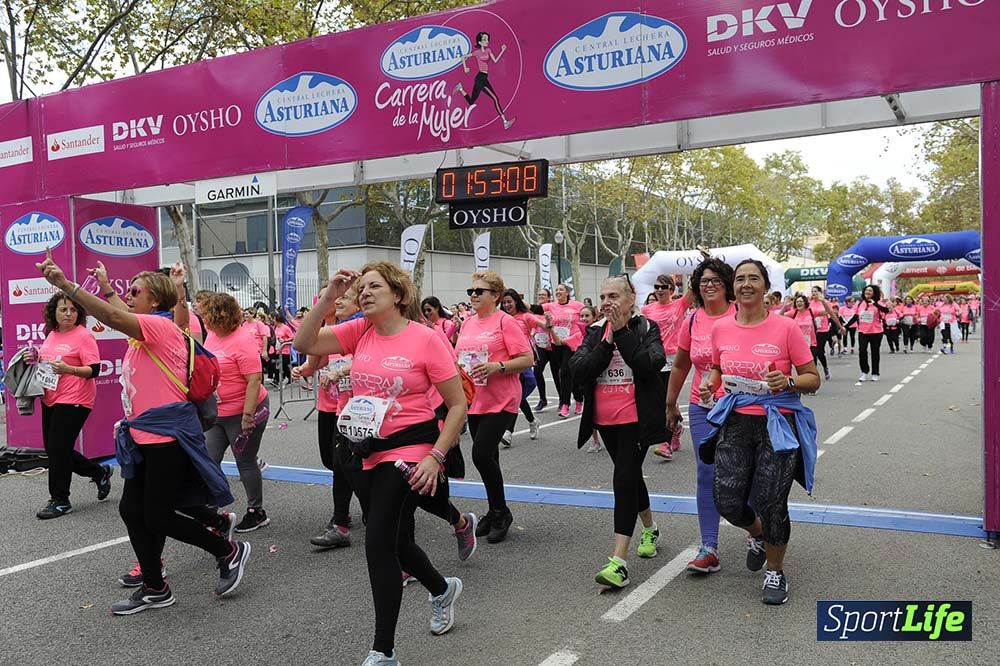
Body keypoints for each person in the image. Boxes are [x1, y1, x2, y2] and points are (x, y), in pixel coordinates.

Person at [35, 251, 250, 615]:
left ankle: (227, 550)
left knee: (157, 515)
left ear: (155, 299)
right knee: (131, 509)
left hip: (166, 437)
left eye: (136, 290)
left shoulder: (160, 327)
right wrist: (105, 287)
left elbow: (114, 316)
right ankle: (155, 586)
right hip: (143, 436)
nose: (128, 293)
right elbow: (119, 310)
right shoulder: (146, 329)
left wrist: (66, 286)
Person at [293, 262, 467, 666]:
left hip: (410, 448)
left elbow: (457, 404)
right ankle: (441, 589)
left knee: (377, 545)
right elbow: (305, 344)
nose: (366, 293)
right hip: (362, 448)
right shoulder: (360, 331)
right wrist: (328, 296)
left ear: (399, 295)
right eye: (363, 287)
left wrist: (434, 456)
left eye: (376, 287)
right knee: (396, 542)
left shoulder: (426, 339)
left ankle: (383, 651)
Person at [699, 259, 820, 605]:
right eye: (740, 279)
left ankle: (775, 571)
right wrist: (710, 386)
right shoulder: (722, 328)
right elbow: (718, 369)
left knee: (771, 501)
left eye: (754, 279)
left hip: (776, 424)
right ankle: (757, 534)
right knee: (727, 500)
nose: (746, 284)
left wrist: (790, 380)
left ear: (765, 287)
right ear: (732, 287)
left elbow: (813, 378)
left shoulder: (786, 328)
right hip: (735, 421)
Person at [570, 274, 668, 589]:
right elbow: (578, 370)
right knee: (630, 477)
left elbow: (648, 365)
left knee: (623, 478)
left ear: (629, 299)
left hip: (635, 419)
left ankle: (619, 562)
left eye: (613, 296)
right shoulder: (594, 332)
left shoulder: (646, 328)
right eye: (602, 297)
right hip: (605, 420)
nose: (606, 303)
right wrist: (606, 340)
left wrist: (622, 332)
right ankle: (651, 528)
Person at [666, 258, 736, 573]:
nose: (709, 285)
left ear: (727, 284)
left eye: (715, 280)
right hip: (701, 405)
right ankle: (709, 547)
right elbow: (681, 364)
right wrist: (670, 404)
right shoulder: (692, 320)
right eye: (703, 280)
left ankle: (756, 532)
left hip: (741, 407)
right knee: (706, 473)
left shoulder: (742, 315)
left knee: (741, 474)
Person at [455, 271, 533, 544]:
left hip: (503, 400)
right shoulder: (466, 323)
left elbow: (527, 359)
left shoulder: (506, 322)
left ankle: (501, 512)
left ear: (496, 295)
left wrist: (497, 366)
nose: (473, 295)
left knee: (480, 454)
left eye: (480, 291)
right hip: (476, 400)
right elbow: (459, 358)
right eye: (471, 291)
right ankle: (494, 509)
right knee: (489, 458)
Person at [293, 286, 363, 548]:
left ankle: (342, 520)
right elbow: (313, 358)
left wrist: (342, 370)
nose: (336, 300)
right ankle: (346, 517)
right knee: (335, 461)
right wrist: (305, 368)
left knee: (350, 464)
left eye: (342, 297)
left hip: (365, 410)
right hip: (335, 405)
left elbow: (370, 358)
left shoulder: (364, 327)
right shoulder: (335, 329)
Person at [32, 293, 111, 519]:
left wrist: (69, 369)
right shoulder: (51, 333)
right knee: (56, 449)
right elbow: (48, 361)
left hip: (76, 399)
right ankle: (99, 472)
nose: (68, 314)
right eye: (63, 309)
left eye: (73, 310)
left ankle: (60, 500)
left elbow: (94, 369)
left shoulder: (83, 336)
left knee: (58, 448)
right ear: (53, 313)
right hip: (50, 397)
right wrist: (34, 356)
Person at [201, 293, 271, 532]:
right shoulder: (212, 334)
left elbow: (254, 380)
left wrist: (248, 416)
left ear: (219, 316)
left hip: (245, 409)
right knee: (210, 459)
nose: (203, 320)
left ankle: (256, 511)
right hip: (218, 412)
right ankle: (211, 506)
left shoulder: (243, 341)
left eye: (206, 315)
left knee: (246, 462)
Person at [642, 274, 694, 459]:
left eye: (664, 287)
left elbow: (695, 289)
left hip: (674, 358)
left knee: (665, 400)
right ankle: (675, 429)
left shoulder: (679, 305)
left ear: (672, 289)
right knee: (658, 399)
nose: (659, 290)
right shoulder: (647, 310)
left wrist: (705, 263)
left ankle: (665, 443)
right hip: (654, 357)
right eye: (657, 287)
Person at [500, 288, 545, 441]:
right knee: (516, 394)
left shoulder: (525, 316)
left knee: (518, 394)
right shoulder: (500, 318)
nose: (507, 305)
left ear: (516, 302)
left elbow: (543, 324)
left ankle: (510, 430)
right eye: (504, 302)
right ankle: (527, 423)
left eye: (509, 302)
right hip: (507, 359)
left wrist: (550, 324)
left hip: (522, 358)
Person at [454, 31, 515, 130]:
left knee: (471, 101)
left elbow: (495, 61)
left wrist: (502, 50)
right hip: (480, 79)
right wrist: (465, 67)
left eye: (487, 39)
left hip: (483, 77)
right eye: (484, 40)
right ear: (479, 42)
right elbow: (463, 57)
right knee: (495, 98)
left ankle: (460, 88)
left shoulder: (489, 50)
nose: (486, 41)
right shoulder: (477, 52)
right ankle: (505, 122)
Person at [543, 283, 585, 418]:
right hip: (556, 342)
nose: (557, 291)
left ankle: (565, 404)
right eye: (556, 290)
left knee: (565, 372)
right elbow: (535, 308)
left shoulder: (577, 305)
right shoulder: (551, 306)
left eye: (561, 289)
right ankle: (578, 399)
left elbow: (588, 315)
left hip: (571, 342)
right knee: (566, 373)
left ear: (567, 293)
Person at [845, 285, 890, 383]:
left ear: (874, 293)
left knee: (875, 352)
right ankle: (864, 371)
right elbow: (855, 316)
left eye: (870, 291)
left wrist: (875, 304)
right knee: (862, 351)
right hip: (863, 331)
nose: (868, 292)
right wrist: (845, 326)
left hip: (876, 331)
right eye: (866, 290)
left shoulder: (878, 303)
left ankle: (875, 373)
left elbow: (886, 311)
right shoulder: (860, 303)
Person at [578, 305, 603, 453]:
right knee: (590, 408)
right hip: (587, 377)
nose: (584, 319)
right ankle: (595, 440)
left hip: (600, 376)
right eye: (581, 316)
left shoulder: (599, 332)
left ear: (594, 318)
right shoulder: (578, 333)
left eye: (587, 316)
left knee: (601, 408)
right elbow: (561, 342)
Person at [808, 286, 843, 380]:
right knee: (813, 353)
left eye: (815, 291)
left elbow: (832, 315)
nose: (813, 293)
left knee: (819, 352)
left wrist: (840, 326)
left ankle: (825, 368)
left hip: (823, 330)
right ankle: (814, 376)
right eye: (812, 291)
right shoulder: (809, 303)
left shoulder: (825, 302)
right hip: (812, 331)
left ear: (820, 292)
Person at [273, 313, 295, 385]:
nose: (273, 320)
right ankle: (277, 379)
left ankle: (289, 377)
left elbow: (292, 337)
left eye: (274, 319)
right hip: (277, 349)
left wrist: (285, 340)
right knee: (277, 365)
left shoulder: (285, 328)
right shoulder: (275, 328)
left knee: (285, 366)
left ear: (277, 319)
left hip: (285, 350)